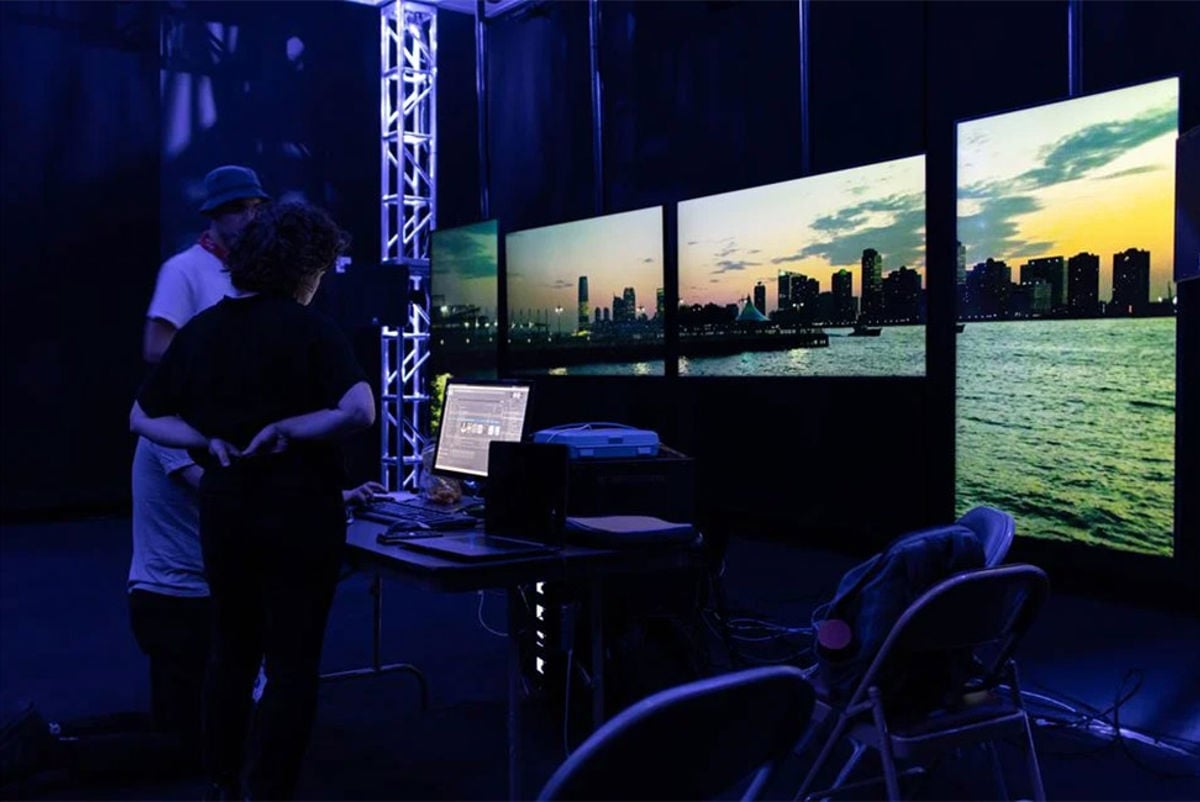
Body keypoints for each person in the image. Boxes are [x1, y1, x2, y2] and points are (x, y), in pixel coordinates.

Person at [130, 201, 374, 801]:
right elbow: (360, 409)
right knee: (291, 664)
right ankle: (269, 791)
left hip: (226, 512)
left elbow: (141, 416)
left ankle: (223, 784)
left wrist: (206, 439)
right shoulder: (311, 328)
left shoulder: (202, 331)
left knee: (233, 654)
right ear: (306, 269)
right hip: (300, 519)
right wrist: (292, 428)